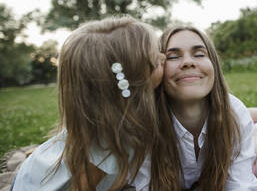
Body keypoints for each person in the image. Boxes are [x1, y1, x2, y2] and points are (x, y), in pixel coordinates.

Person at [12, 16, 165, 191]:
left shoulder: (110, 117)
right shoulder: (109, 143)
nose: (164, 57)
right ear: (133, 81)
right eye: (157, 61)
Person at [149, 26, 257, 191]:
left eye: (199, 54)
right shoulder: (146, 121)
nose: (188, 62)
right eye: (172, 57)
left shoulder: (234, 112)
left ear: (213, 63)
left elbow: (241, 186)